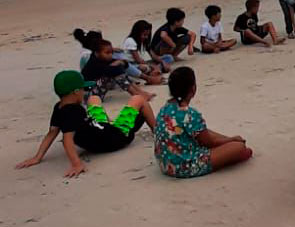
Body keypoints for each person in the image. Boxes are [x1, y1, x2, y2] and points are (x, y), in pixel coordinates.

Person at [15, 70, 155, 177]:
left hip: (99, 131)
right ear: (76, 92)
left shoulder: (59, 107)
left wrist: (37, 157)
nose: (84, 92)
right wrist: (77, 164)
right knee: (138, 99)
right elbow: (67, 140)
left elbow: (52, 132)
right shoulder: (75, 112)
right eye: (83, 89)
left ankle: (109, 121)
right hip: (116, 138)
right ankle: (157, 131)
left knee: (93, 99)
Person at [154, 66, 253, 178]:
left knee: (205, 132)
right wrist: (230, 141)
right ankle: (231, 151)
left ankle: (230, 145)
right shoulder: (190, 114)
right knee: (238, 147)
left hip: (165, 162)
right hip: (183, 165)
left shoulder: (165, 109)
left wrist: (228, 139)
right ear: (193, 89)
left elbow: (199, 132)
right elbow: (209, 143)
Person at [81, 38, 151, 100]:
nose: (110, 55)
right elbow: (111, 71)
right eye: (107, 53)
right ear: (97, 53)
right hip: (89, 94)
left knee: (119, 73)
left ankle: (140, 92)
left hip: (96, 89)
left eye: (111, 52)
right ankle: (137, 94)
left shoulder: (101, 58)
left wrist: (121, 62)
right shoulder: (94, 63)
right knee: (116, 74)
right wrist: (116, 64)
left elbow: (123, 65)